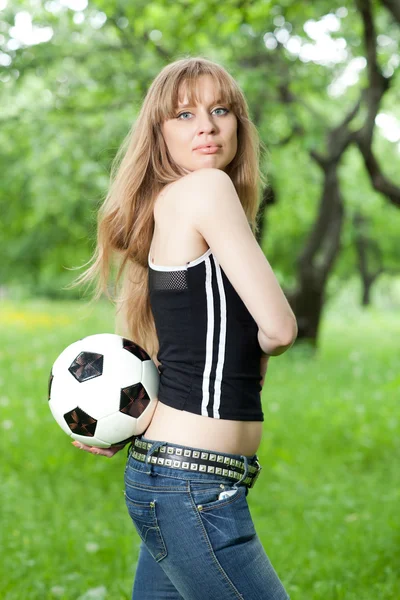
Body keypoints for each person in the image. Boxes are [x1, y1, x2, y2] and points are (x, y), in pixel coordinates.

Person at [70, 56, 297, 599]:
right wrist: (265, 339)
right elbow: (281, 328)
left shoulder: (172, 204)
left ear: (240, 123)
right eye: (184, 114)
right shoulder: (207, 190)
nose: (207, 126)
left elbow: (184, 341)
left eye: (221, 110)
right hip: (192, 487)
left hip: (170, 477)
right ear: (160, 133)